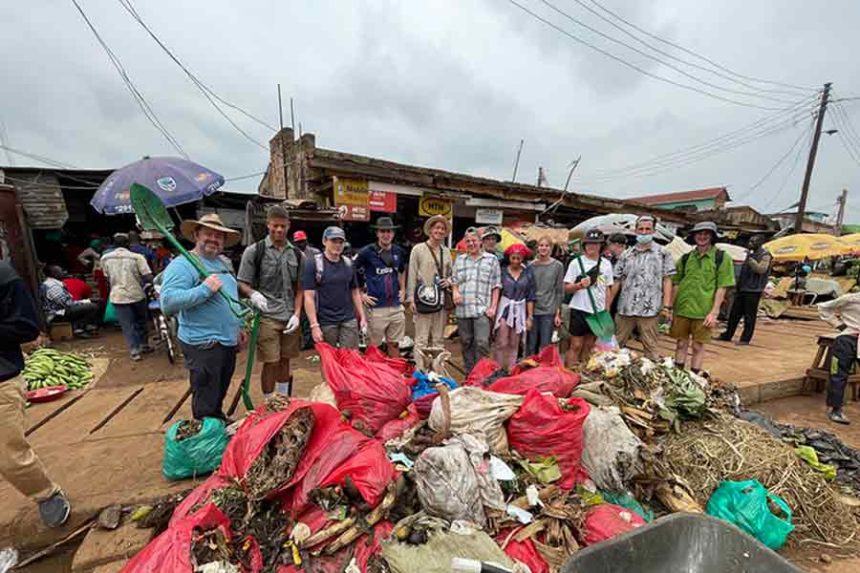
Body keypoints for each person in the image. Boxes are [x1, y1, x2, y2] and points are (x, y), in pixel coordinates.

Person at [0, 261, 71, 527]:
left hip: (2, 381)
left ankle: (46, 493)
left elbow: (26, 327)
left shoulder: (4, 277)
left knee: (8, 455)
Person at [161, 214, 245, 421]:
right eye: (208, 233)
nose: (214, 239)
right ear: (196, 234)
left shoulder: (223, 262)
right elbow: (168, 302)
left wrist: (239, 326)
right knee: (206, 394)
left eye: (219, 236)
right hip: (204, 343)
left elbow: (232, 295)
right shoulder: (183, 264)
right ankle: (206, 438)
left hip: (227, 339)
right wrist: (204, 290)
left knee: (219, 390)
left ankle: (216, 421)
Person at [238, 206, 304, 399]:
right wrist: (253, 294)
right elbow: (242, 282)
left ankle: (282, 400)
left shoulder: (298, 255)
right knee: (271, 361)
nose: (279, 230)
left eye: (283, 226)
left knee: (285, 360)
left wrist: (297, 314)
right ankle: (269, 402)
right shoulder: (254, 251)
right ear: (268, 225)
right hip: (266, 316)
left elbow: (300, 288)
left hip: (289, 315)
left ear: (289, 226)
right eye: (275, 226)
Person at [670, 221, 735, 373]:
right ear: (694, 236)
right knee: (681, 343)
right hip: (683, 308)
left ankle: (694, 377)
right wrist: (671, 307)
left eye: (706, 234)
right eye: (699, 233)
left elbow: (722, 286)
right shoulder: (686, 258)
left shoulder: (721, 258)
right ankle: (678, 375)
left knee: (698, 345)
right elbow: (676, 282)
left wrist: (714, 312)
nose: (702, 237)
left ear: (712, 236)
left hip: (704, 311)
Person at [608, 216, 676, 360]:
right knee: (616, 346)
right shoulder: (626, 255)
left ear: (653, 231)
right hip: (625, 308)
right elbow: (617, 281)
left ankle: (651, 377)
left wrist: (667, 306)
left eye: (647, 229)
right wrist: (608, 305)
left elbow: (667, 280)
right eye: (641, 229)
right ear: (635, 230)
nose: (644, 232)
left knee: (650, 346)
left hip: (650, 310)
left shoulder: (663, 254)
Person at [303, 226, 367, 349]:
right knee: (329, 362)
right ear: (324, 241)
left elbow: (354, 292)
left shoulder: (348, 264)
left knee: (350, 359)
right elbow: (309, 297)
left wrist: (362, 316)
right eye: (333, 241)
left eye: (340, 242)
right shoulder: (314, 264)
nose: (337, 245)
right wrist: (314, 325)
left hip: (348, 318)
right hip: (326, 321)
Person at [355, 217, 407, 357]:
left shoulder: (399, 252)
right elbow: (353, 271)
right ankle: (373, 377)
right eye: (383, 231)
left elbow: (402, 270)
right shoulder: (367, 252)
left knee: (395, 344)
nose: (386, 235)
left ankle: (396, 375)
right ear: (377, 233)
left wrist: (403, 289)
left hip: (396, 306)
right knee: (374, 348)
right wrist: (361, 294)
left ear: (393, 233)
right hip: (376, 308)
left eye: (389, 231)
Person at [406, 216, 454, 369]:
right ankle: (420, 371)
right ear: (430, 230)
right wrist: (411, 298)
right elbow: (412, 274)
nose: (439, 231)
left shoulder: (446, 252)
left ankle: (437, 371)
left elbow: (452, 273)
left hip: (440, 300)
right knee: (421, 338)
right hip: (423, 299)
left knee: (439, 339)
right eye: (437, 228)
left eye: (442, 228)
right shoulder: (418, 249)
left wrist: (449, 281)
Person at [452, 228, 501, 374]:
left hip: (482, 309)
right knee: (466, 342)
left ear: (480, 242)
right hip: (463, 309)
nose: (471, 244)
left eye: (474, 241)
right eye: (468, 241)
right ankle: (469, 373)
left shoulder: (491, 260)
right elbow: (454, 280)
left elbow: (496, 285)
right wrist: (455, 292)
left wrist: (493, 307)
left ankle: (482, 374)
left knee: (482, 342)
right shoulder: (460, 260)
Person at [563, 230, 613, 366]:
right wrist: (579, 285)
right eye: (589, 243)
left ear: (601, 246)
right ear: (584, 245)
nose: (592, 247)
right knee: (576, 345)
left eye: (596, 244)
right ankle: (570, 372)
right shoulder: (576, 263)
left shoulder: (606, 265)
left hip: (598, 311)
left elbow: (607, 289)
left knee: (589, 345)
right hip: (579, 308)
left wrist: (606, 310)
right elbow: (566, 287)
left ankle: (584, 374)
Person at [100, 233, 153, 361]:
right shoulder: (137, 257)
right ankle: (144, 345)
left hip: (118, 296)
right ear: (128, 244)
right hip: (136, 294)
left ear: (114, 244)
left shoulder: (105, 258)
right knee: (141, 321)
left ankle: (134, 351)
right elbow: (148, 276)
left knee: (127, 324)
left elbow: (106, 277)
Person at [718, 235, 772, 345]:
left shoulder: (765, 255)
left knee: (749, 316)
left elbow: (761, 269)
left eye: (753, 241)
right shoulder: (751, 254)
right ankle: (727, 335)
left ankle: (745, 339)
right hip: (742, 288)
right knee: (734, 314)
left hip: (754, 290)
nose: (750, 242)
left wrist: (751, 259)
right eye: (750, 240)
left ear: (760, 243)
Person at [818, 292, 860, 424]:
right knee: (838, 374)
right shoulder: (850, 299)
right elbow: (823, 307)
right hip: (846, 340)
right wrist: (838, 324)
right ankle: (835, 409)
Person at [494, 243, 536, 370]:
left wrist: (530, 317)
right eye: (513, 258)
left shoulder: (528, 274)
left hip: (519, 308)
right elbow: (497, 291)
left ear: (523, 259)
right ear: (509, 258)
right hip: (505, 307)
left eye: (519, 258)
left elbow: (530, 296)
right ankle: (499, 368)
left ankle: (511, 369)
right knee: (502, 341)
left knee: (514, 342)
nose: (516, 261)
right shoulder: (503, 272)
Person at [40, 265, 100, 337]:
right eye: (61, 271)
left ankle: (83, 327)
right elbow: (67, 304)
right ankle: (79, 329)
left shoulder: (52, 283)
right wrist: (85, 302)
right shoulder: (53, 286)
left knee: (86, 306)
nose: (64, 272)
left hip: (61, 311)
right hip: (57, 314)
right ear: (54, 274)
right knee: (92, 307)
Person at [528, 236, 564, 355]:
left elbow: (559, 291)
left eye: (547, 246)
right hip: (532, 309)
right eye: (541, 245)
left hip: (548, 310)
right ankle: (529, 370)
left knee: (545, 344)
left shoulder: (557, 266)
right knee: (531, 344)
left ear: (551, 248)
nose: (544, 248)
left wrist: (558, 313)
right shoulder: (531, 266)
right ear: (537, 248)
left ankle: (543, 371)